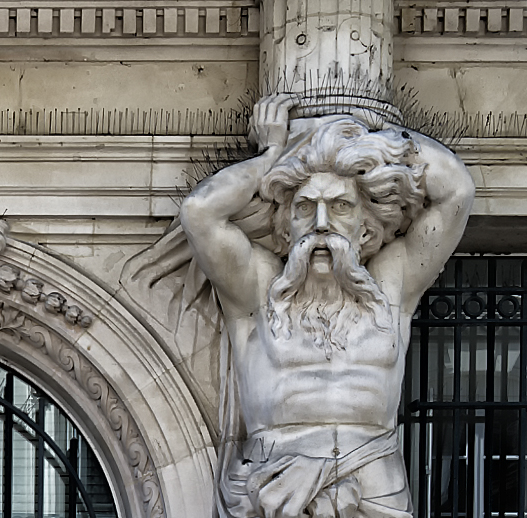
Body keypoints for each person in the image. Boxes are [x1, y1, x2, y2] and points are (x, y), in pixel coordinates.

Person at [179, 95, 475, 518]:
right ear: (285, 225)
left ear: (366, 228)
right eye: (305, 209)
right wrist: (273, 154)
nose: (321, 224)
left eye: (339, 207)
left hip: (374, 491)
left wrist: (375, 143)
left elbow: (456, 191)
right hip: (273, 488)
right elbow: (200, 212)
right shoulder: (259, 289)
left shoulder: (392, 284)